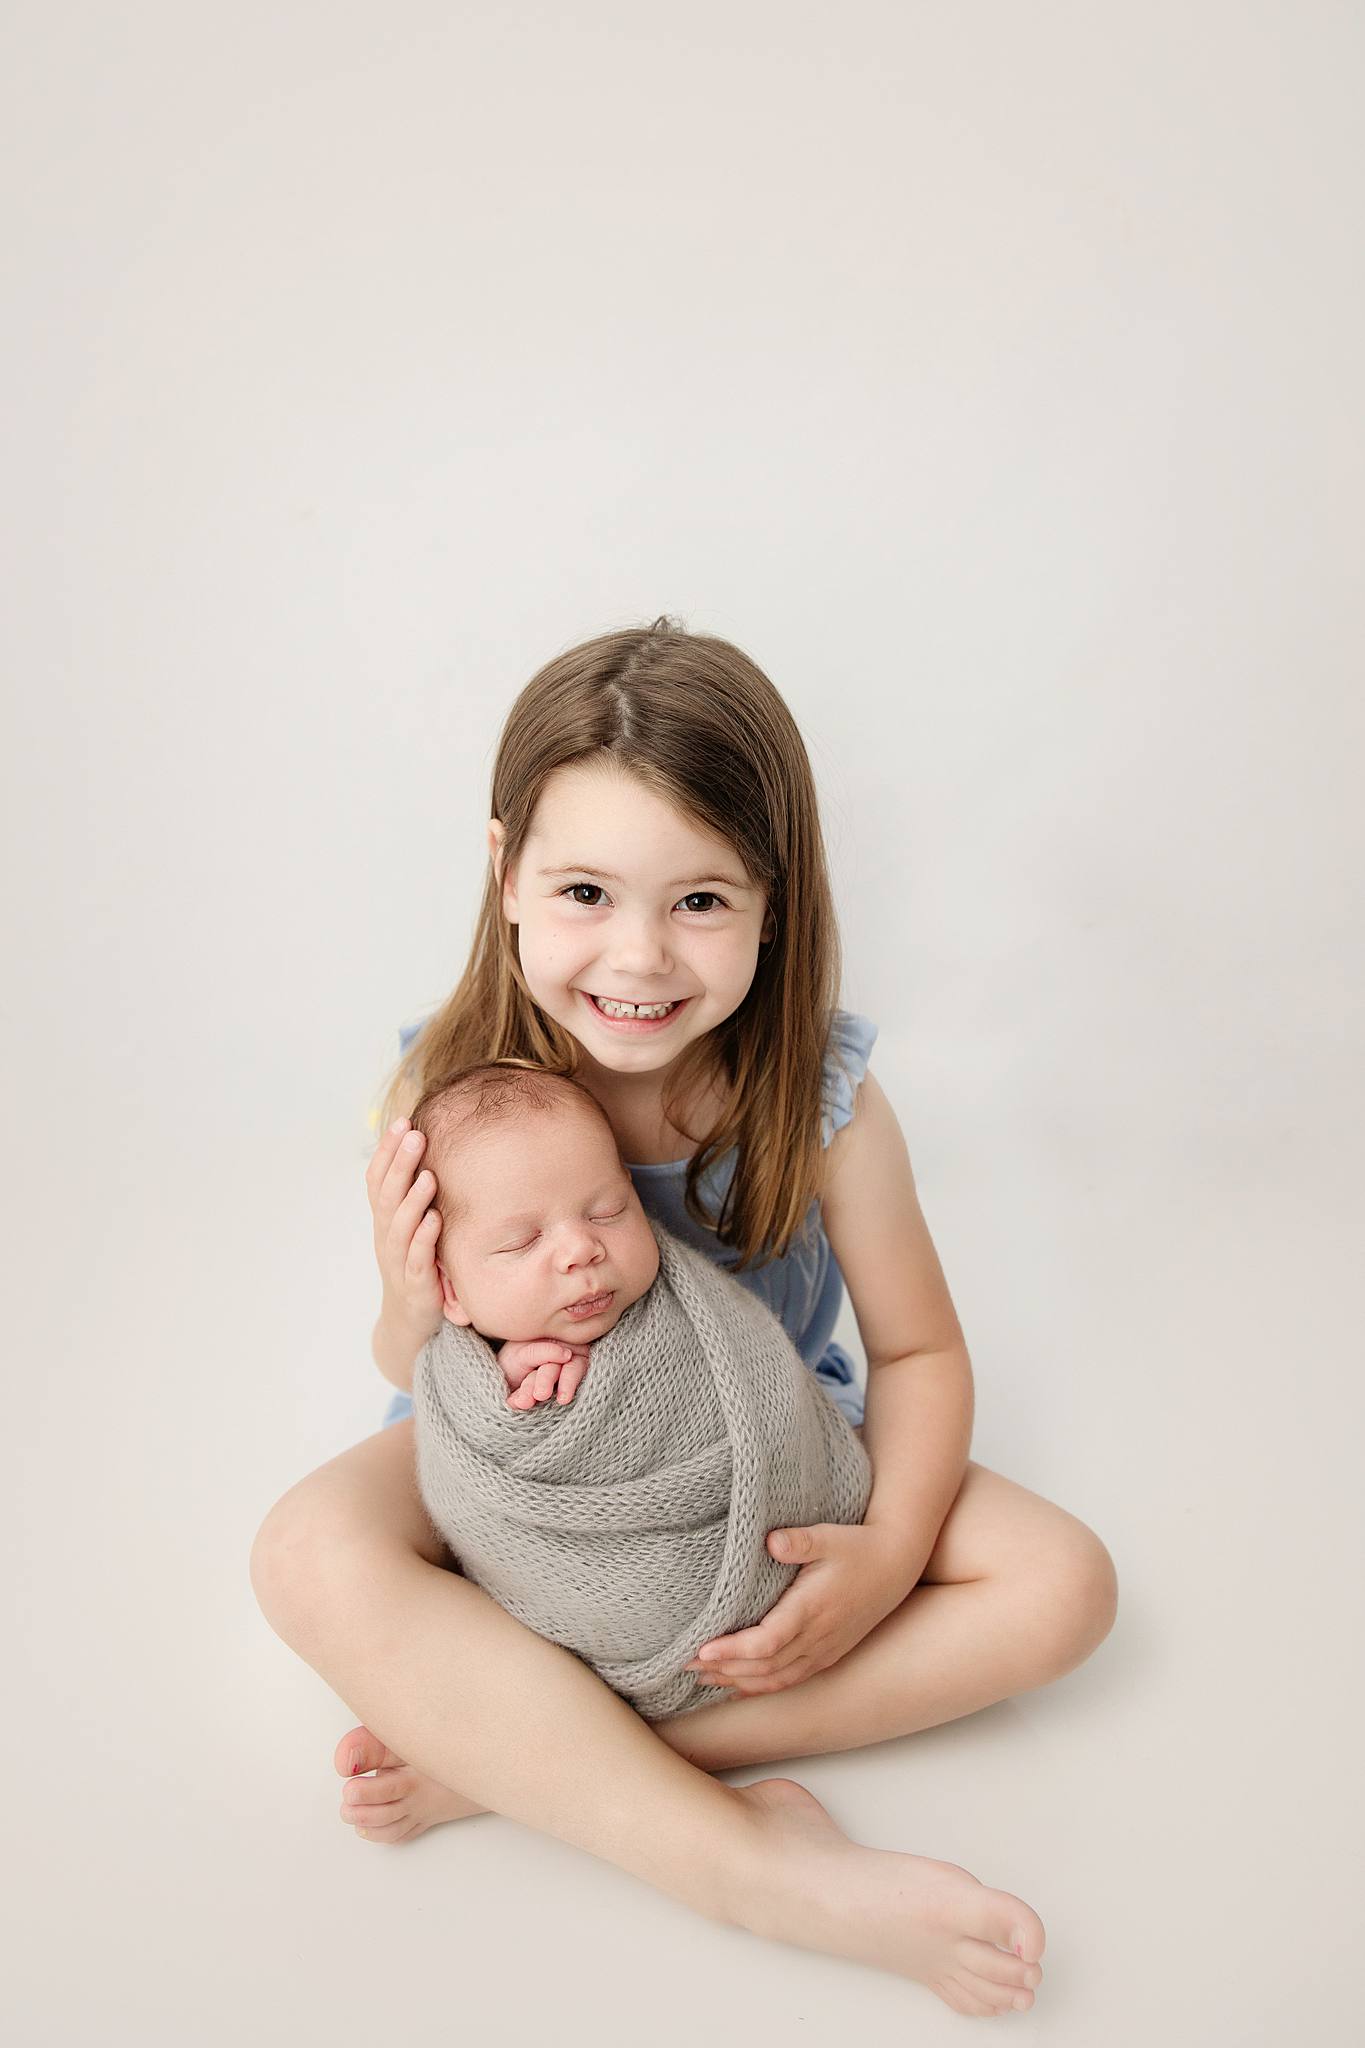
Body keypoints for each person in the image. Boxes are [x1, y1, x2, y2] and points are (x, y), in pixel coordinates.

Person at [250, 616, 1118, 2018]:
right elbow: (405, 1355)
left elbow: (918, 1353)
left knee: (1066, 1586)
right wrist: (413, 1305)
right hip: (524, 1475)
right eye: (586, 891)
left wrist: (887, 1556)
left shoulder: (821, 1104)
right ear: (506, 879)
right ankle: (746, 1867)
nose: (640, 958)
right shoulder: (445, 1094)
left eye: (700, 902)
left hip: (757, 1460)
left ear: (776, 900)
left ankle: (531, 1753)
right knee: (303, 1549)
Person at [404, 1060, 873, 1720]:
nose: (579, 1249)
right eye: (522, 1241)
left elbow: (767, 1401)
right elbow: (487, 1515)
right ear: (449, 1289)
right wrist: (499, 1368)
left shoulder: (692, 1311)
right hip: (592, 1617)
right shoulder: (464, 1384)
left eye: (607, 1211)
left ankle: (578, 1754)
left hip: (783, 1559)